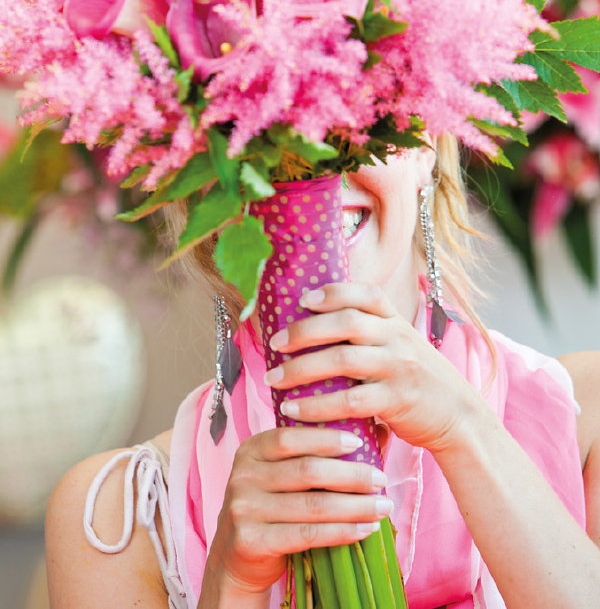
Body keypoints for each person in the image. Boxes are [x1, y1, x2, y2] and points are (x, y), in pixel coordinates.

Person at [45, 136, 600, 608]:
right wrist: (233, 586)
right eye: (250, 132)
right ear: (189, 178)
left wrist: (464, 430)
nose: (305, 164)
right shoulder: (119, 516)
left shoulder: (584, 424)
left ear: (428, 142)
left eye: (362, 114)